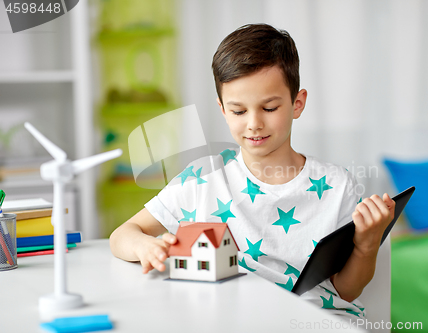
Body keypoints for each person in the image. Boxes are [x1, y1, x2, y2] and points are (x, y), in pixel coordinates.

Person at [110, 23, 395, 318]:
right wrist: (145, 246)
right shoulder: (202, 179)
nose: (254, 124)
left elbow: (346, 291)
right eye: (238, 111)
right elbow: (122, 234)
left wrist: (366, 246)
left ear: (297, 104)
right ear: (222, 109)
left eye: (269, 108)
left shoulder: (338, 185)